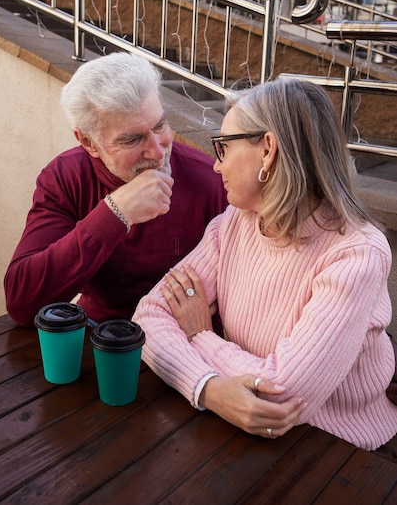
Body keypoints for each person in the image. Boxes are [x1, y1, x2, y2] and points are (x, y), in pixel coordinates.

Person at [133, 77, 397, 451]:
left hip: (339, 452)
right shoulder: (234, 223)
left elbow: (281, 396)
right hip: (243, 434)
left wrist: (199, 335)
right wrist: (206, 388)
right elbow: (149, 314)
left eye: (224, 148)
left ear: (268, 150)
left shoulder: (355, 254)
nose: (216, 167)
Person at [4, 52, 228, 327]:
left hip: (187, 344)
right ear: (88, 142)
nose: (158, 151)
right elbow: (22, 302)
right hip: (98, 338)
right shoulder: (66, 177)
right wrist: (114, 214)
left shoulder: (211, 179)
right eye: (132, 139)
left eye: (160, 125)